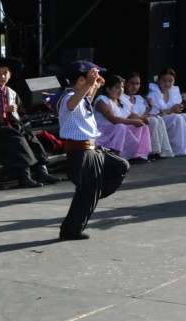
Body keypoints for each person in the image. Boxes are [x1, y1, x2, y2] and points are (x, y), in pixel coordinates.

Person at [56, 60, 129, 241]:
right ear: (81, 80)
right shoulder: (67, 98)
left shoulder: (83, 98)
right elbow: (72, 105)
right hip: (80, 151)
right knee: (86, 193)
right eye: (90, 77)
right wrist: (90, 83)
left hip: (93, 149)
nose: (94, 80)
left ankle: (94, 193)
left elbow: (86, 100)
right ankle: (70, 230)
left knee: (120, 165)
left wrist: (94, 86)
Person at [0, 58, 59, 187]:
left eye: (5, 73)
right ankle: (24, 176)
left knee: (30, 136)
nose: (3, 76)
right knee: (17, 139)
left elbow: (18, 113)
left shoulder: (11, 92)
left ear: (10, 75)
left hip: (10, 124)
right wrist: (4, 110)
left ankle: (42, 171)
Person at [93, 75, 151, 161]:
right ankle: (115, 155)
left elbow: (131, 115)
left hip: (115, 129)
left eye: (122, 87)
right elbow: (114, 120)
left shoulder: (120, 100)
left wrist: (141, 118)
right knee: (121, 127)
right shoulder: (102, 100)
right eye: (117, 87)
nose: (121, 90)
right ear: (108, 89)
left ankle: (137, 154)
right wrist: (133, 122)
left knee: (142, 126)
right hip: (103, 132)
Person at [121, 71, 173, 159]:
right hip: (130, 121)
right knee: (152, 120)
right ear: (125, 84)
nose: (135, 86)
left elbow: (144, 113)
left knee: (158, 119)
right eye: (132, 83)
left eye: (137, 84)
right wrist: (146, 116)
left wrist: (149, 108)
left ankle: (161, 150)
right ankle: (153, 151)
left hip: (141, 119)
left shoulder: (140, 98)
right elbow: (129, 114)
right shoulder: (122, 97)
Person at [146, 68, 186, 157]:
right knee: (177, 118)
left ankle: (185, 148)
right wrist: (171, 110)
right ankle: (175, 148)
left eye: (170, 81)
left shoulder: (174, 92)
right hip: (159, 120)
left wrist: (177, 109)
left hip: (168, 117)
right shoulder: (153, 95)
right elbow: (153, 115)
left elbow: (175, 110)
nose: (167, 84)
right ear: (159, 80)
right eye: (164, 81)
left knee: (185, 116)